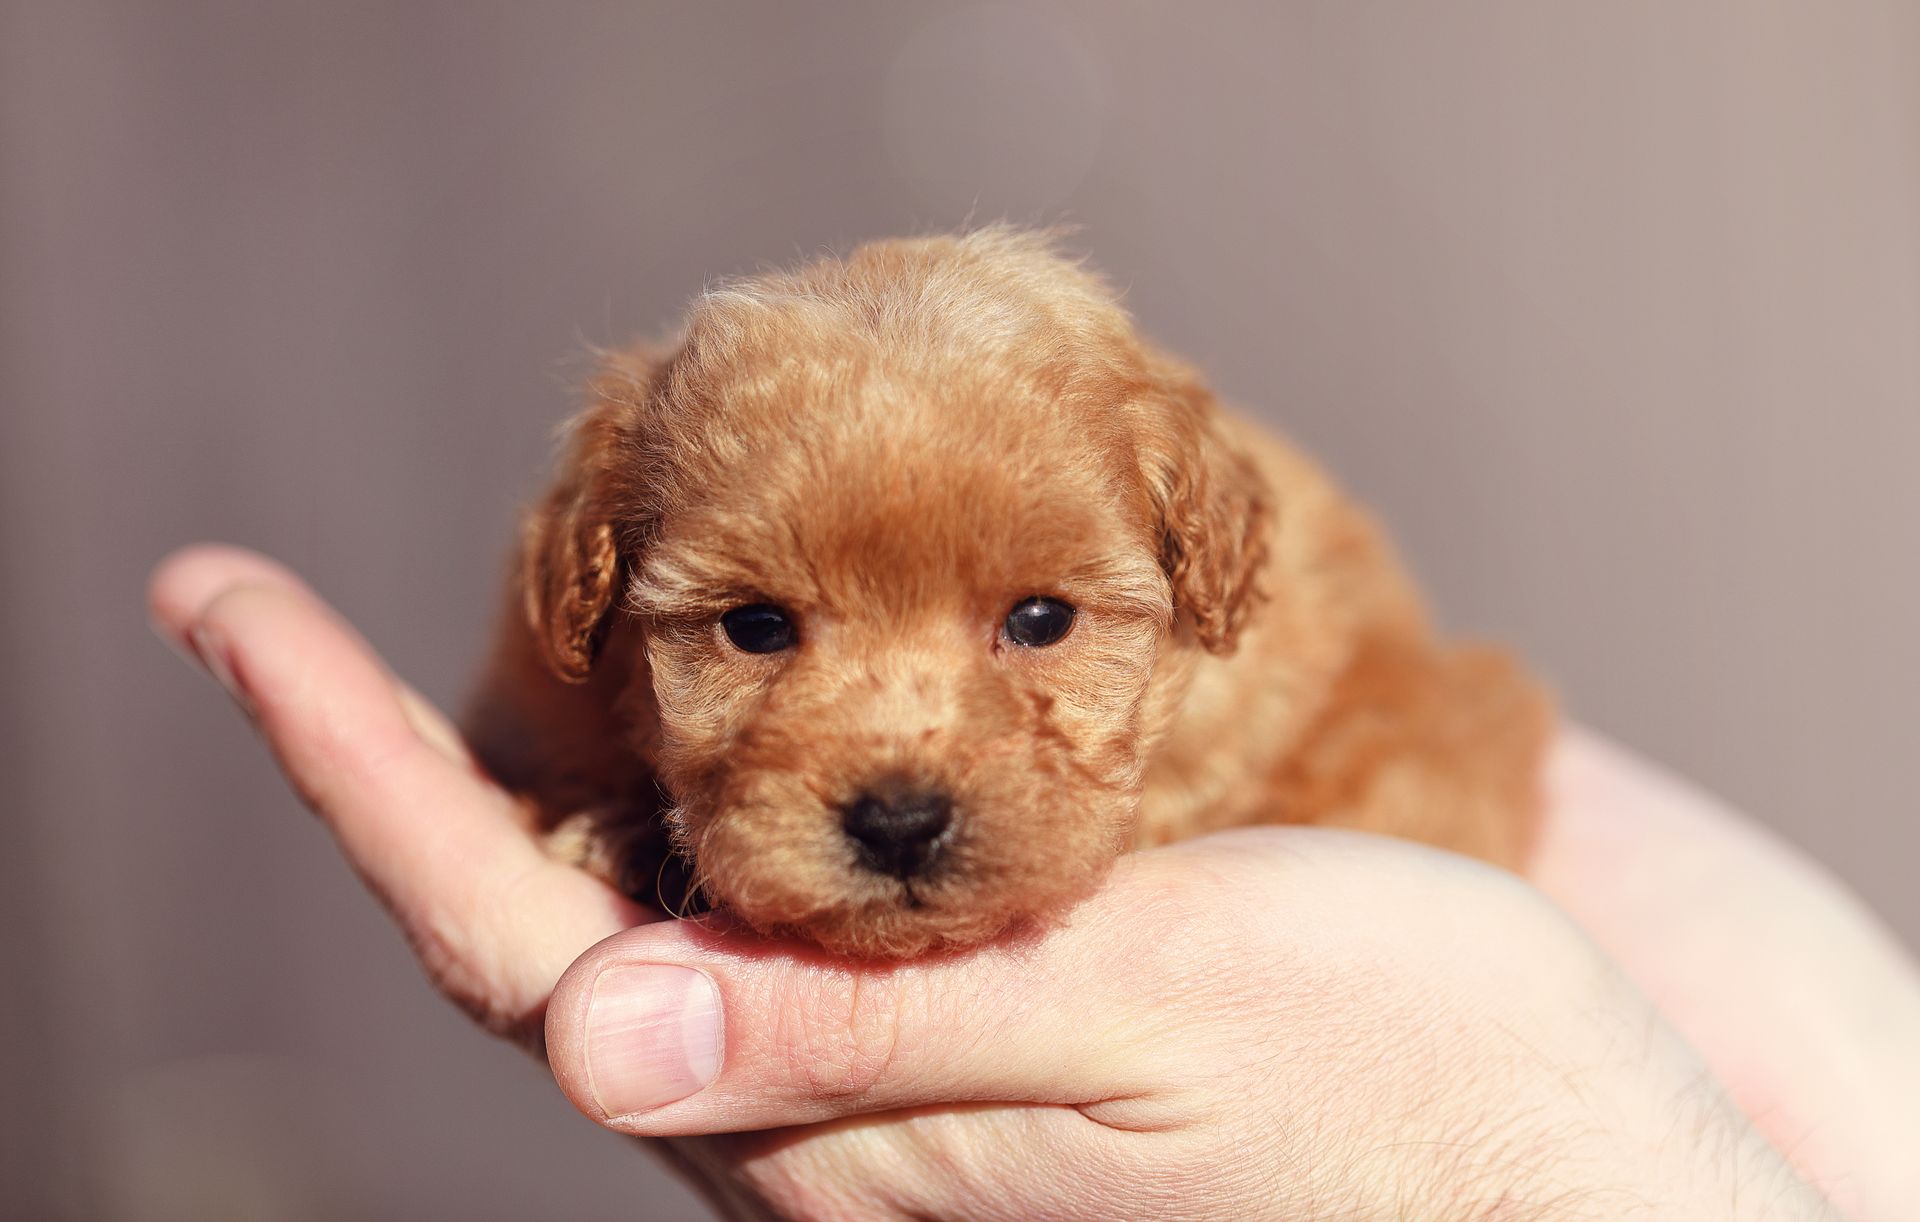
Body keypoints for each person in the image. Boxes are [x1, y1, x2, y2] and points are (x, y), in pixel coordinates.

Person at [150, 544, 1920, 1220]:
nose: (906, 766)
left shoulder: (1286, 657)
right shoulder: (585, 597)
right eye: (755, 626)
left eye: (1040, 620)